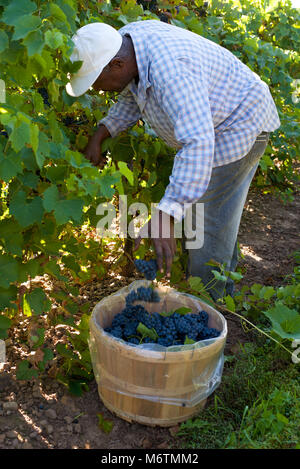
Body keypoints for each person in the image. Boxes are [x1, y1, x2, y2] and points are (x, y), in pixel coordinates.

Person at [66, 21, 280, 300]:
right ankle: (223, 289)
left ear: (116, 65)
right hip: (215, 126)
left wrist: (165, 216)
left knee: (206, 225)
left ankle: (208, 313)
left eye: (95, 82)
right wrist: (101, 133)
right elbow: (135, 92)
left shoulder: (172, 71)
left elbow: (199, 143)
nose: (96, 90)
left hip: (237, 124)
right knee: (212, 220)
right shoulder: (127, 45)